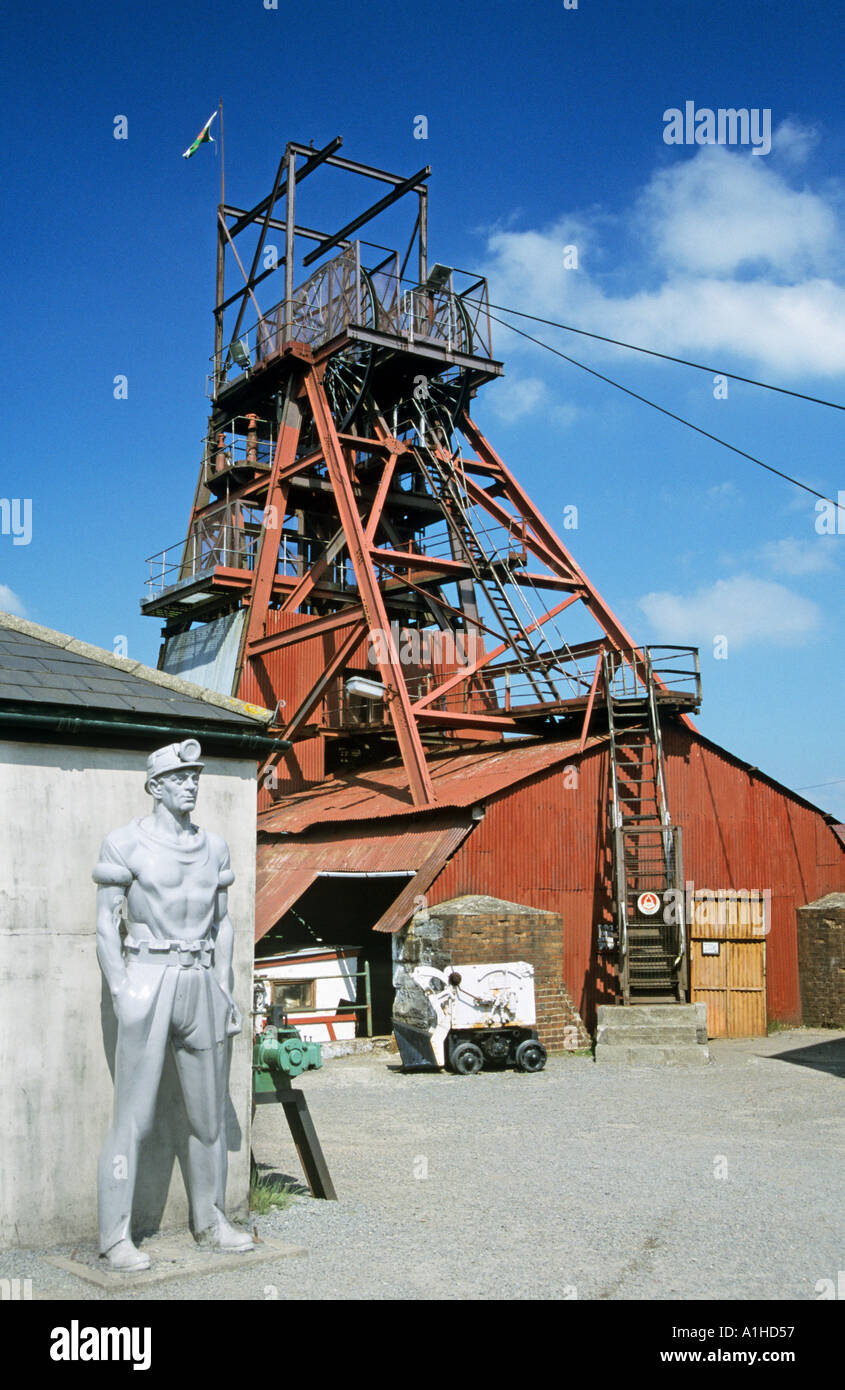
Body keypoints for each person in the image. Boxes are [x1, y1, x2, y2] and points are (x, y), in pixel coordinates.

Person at [93, 739, 254, 1271]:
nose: (192, 785)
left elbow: (224, 923)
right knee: (132, 1120)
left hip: (202, 977)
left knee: (208, 1116)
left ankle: (211, 1220)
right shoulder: (124, 844)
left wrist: (226, 989)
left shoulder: (216, 848)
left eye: (196, 777)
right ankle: (115, 1236)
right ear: (156, 786)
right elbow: (104, 924)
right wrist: (122, 989)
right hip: (148, 974)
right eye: (181, 778)